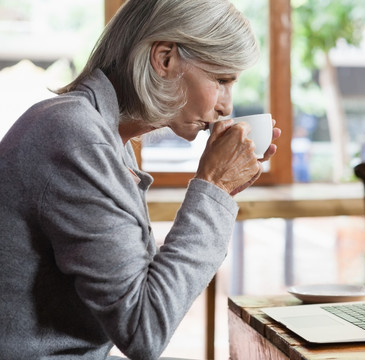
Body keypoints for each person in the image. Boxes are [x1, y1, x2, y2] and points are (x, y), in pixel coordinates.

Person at [0, 0, 280, 359]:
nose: (227, 106)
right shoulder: (77, 139)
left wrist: (222, 190)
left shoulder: (99, 136)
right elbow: (144, 329)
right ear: (165, 59)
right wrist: (214, 190)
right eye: (222, 80)